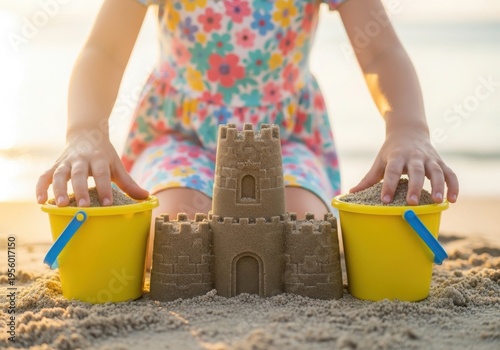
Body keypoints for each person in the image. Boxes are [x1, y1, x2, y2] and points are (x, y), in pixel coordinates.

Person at [36, 0, 459, 264]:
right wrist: (85, 131)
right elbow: (104, 50)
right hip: (180, 134)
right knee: (176, 233)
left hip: (285, 138)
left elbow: (381, 52)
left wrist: (407, 128)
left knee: (300, 234)